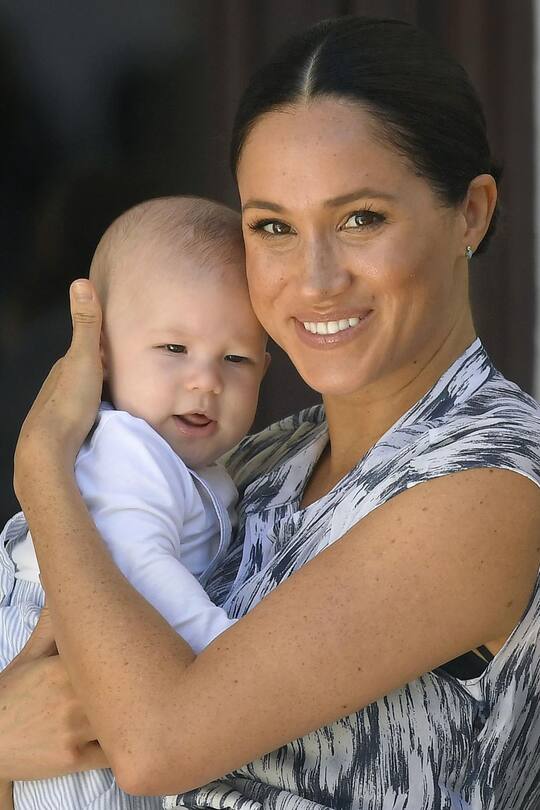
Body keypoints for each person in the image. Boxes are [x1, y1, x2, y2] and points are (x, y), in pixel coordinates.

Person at [2, 15, 540, 810]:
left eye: (361, 218)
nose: (315, 279)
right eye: (274, 227)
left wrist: (43, 467)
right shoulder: (250, 460)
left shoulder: (491, 480)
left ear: (472, 212)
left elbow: (153, 747)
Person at [0, 196, 269, 808]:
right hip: (48, 652)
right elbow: (139, 568)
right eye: (174, 350)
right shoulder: (129, 449)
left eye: (236, 359)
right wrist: (226, 657)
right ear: (100, 356)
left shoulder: (205, 467)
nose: (205, 380)